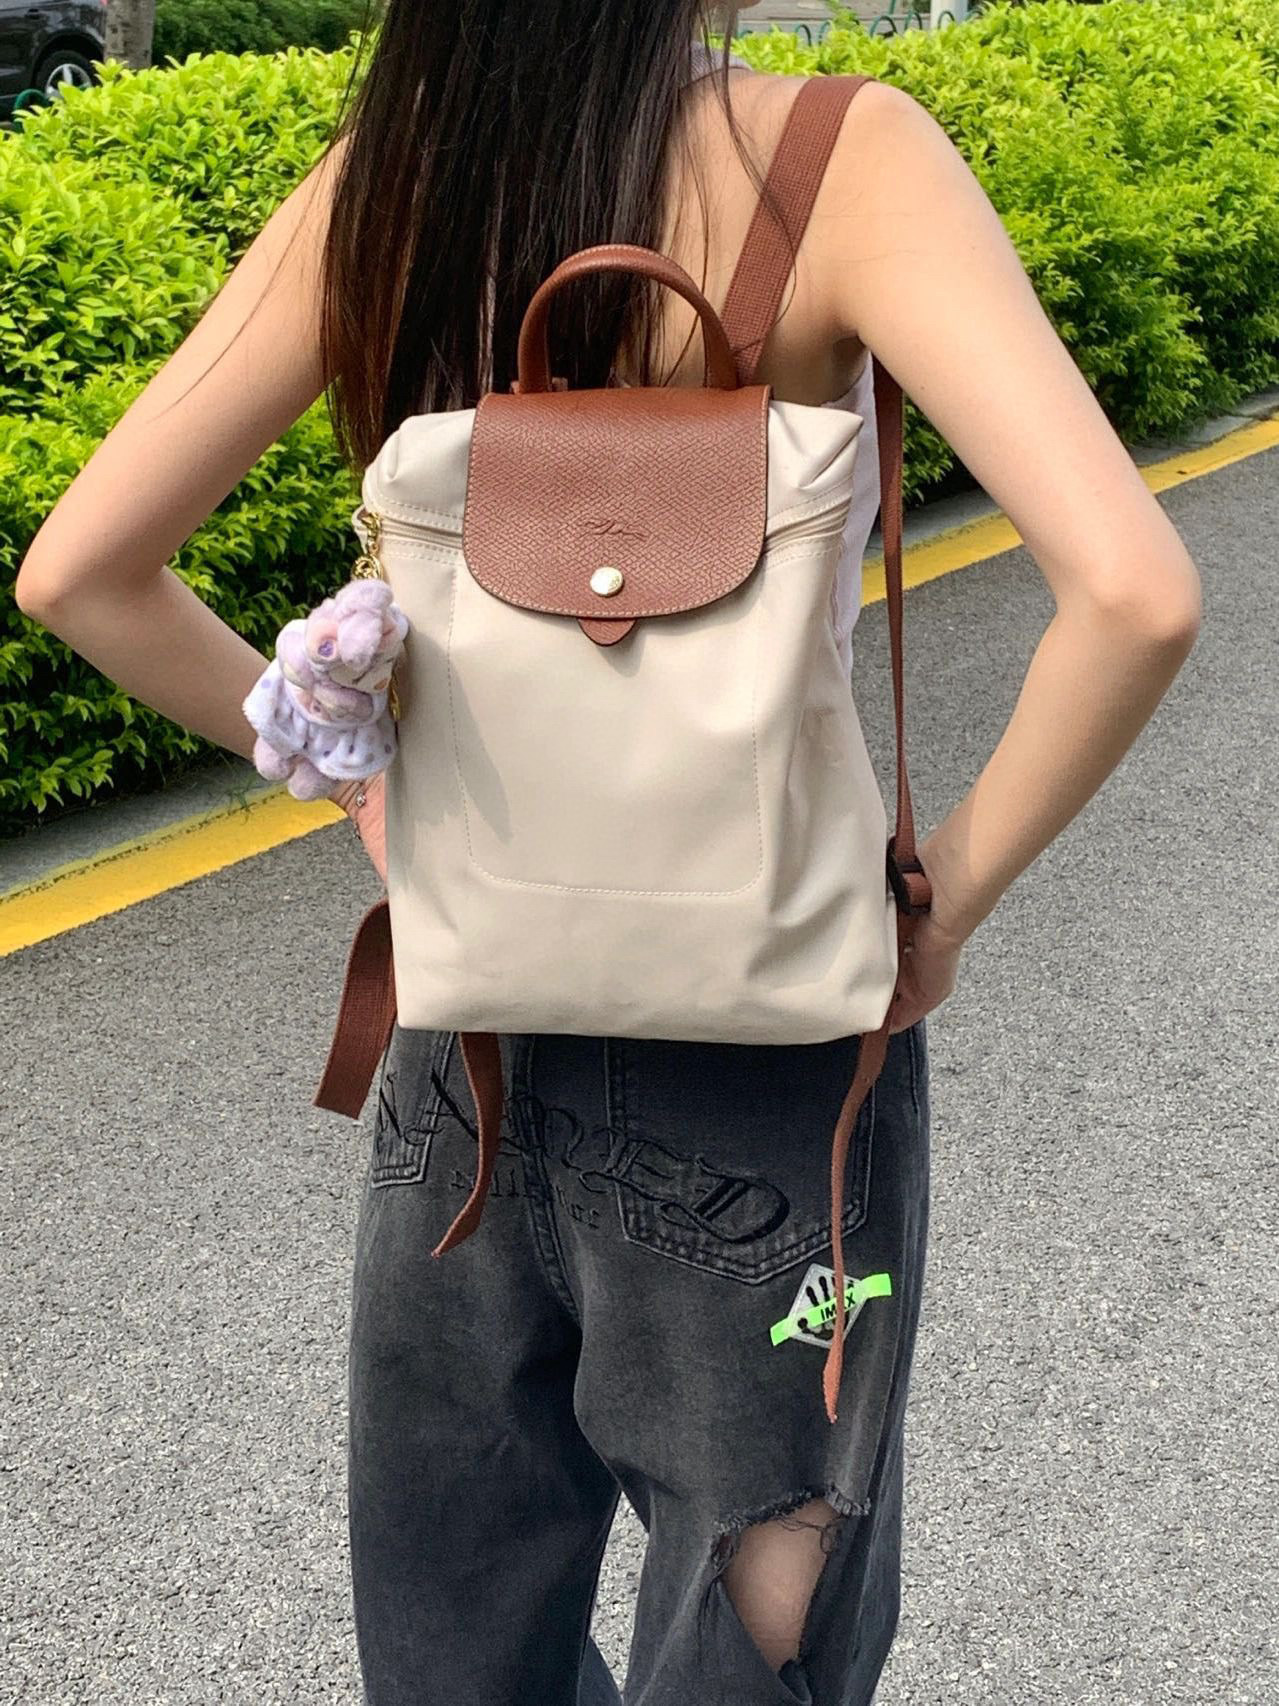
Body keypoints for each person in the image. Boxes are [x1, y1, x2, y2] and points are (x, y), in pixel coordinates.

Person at [14, 4, 1201, 1703]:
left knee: (458, 1636)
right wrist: (940, 904)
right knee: (754, 1639)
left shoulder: (390, 179)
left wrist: (362, 790)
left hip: (469, 1044)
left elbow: (82, 574)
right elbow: (1134, 597)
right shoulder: (837, 160)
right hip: (767, 1050)